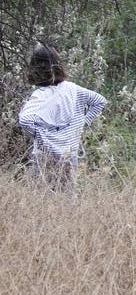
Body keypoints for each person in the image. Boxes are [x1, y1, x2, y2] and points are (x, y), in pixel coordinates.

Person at [18, 45, 108, 189]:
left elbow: (25, 120)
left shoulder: (40, 94)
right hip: (69, 156)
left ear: (35, 68)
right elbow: (100, 101)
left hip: (44, 157)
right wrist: (82, 124)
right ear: (58, 65)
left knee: (39, 198)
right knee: (67, 202)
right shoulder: (73, 89)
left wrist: (42, 138)